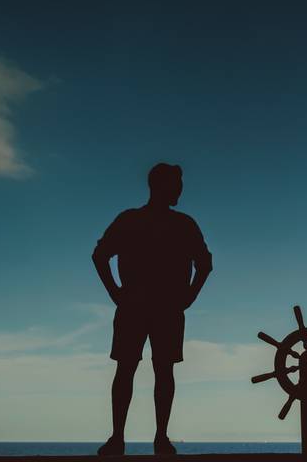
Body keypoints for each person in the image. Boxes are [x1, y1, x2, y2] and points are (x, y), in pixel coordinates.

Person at [92, 163, 213, 456]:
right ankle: (137, 439)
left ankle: (137, 438)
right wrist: (116, 293)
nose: (180, 190)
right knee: (146, 370)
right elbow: (205, 264)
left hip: (149, 306)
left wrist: (116, 293)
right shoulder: (174, 223)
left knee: (141, 370)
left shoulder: (142, 221)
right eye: (176, 185)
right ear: (161, 186)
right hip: (150, 306)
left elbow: (204, 264)